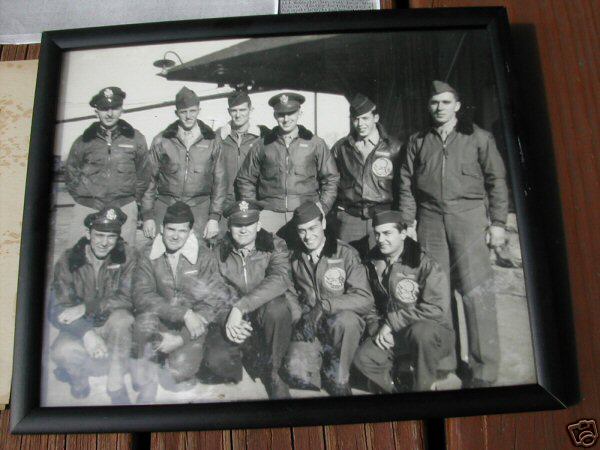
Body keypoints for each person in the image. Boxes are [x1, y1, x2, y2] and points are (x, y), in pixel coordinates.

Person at [398, 80, 509, 387]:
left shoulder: (478, 138)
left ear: (457, 106)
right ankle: (444, 361)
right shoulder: (419, 140)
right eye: (434, 103)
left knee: (476, 291)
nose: (439, 108)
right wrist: (408, 222)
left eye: (446, 102)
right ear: (428, 106)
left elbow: (497, 181)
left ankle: (483, 369)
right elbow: (406, 183)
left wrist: (498, 223)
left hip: (469, 218)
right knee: (436, 292)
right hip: (430, 219)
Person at [132, 201, 235, 403]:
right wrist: (183, 313)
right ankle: (149, 377)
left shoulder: (203, 255)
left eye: (182, 231)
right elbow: (142, 295)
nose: (175, 236)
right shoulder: (147, 253)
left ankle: (175, 357)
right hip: (161, 319)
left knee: (180, 374)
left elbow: (212, 299)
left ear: (190, 232)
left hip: (191, 327)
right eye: (171, 229)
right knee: (142, 325)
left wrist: (181, 338)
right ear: (162, 228)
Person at [201, 200, 293, 399]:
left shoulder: (274, 244)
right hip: (232, 316)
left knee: (278, 308)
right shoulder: (218, 249)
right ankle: (248, 354)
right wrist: (228, 318)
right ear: (229, 227)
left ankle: (275, 372)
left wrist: (241, 307)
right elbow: (213, 291)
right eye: (237, 225)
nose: (243, 230)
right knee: (217, 361)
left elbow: (280, 278)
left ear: (258, 225)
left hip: (264, 314)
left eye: (249, 224)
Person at [353, 210, 454, 392]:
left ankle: (423, 387)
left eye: (387, 233)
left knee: (421, 333)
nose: (381, 239)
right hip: (393, 333)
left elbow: (435, 308)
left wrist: (391, 324)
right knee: (363, 358)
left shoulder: (423, 262)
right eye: (377, 234)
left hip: (431, 334)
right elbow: (370, 303)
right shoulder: (372, 262)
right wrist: (378, 331)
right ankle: (396, 387)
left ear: (403, 233)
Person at [49, 206, 135, 404]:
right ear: (88, 234)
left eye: (111, 237)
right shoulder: (69, 259)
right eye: (99, 235)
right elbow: (57, 308)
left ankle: (115, 383)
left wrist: (87, 307)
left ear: (118, 238)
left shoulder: (127, 257)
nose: (104, 243)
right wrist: (86, 333)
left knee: (125, 320)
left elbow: (130, 296)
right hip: (80, 325)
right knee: (62, 352)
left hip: (111, 321)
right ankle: (79, 378)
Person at [286, 201, 374, 396]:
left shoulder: (345, 253)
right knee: (297, 373)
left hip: (338, 324)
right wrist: (298, 319)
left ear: (323, 224)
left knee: (348, 321)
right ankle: (323, 364)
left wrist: (326, 305)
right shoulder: (294, 257)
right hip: (311, 324)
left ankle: (340, 377)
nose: (308, 236)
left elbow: (365, 298)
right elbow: (289, 291)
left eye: (313, 228)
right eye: (302, 231)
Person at [235, 92, 339, 236]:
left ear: (299, 113)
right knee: (269, 249)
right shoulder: (262, 145)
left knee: (302, 250)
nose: (286, 119)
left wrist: (322, 207)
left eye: (291, 113)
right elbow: (245, 179)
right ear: (274, 115)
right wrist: (255, 209)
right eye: (281, 114)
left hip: (305, 213)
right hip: (269, 214)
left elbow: (331, 178)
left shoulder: (315, 143)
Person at [64, 87, 151, 246]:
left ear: (121, 110)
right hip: (88, 206)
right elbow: (71, 172)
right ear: (96, 111)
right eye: (104, 108)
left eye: (114, 108)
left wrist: (132, 199)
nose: (109, 114)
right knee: (79, 253)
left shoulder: (136, 139)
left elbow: (144, 173)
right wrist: (84, 197)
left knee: (124, 254)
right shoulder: (84, 140)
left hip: (124, 206)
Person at [141, 87, 227, 242]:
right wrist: (148, 215)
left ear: (199, 110)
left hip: (199, 208)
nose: (188, 116)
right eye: (183, 112)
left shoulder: (212, 140)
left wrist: (214, 217)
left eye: (192, 111)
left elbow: (220, 181)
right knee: (162, 249)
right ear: (176, 113)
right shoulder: (162, 140)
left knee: (198, 251)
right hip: (167, 207)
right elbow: (149, 179)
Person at [332, 94, 402, 258]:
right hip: (350, 218)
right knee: (348, 262)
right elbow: (330, 181)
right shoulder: (341, 148)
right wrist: (338, 212)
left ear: (375, 118)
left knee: (381, 264)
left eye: (365, 118)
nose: (360, 124)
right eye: (356, 119)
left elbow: (404, 187)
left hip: (383, 217)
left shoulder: (395, 147)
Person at [216, 91, 269, 212]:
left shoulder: (262, 137)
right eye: (234, 110)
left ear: (251, 110)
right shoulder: (219, 137)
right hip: (224, 204)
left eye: (242, 110)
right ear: (229, 111)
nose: (238, 115)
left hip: (253, 202)